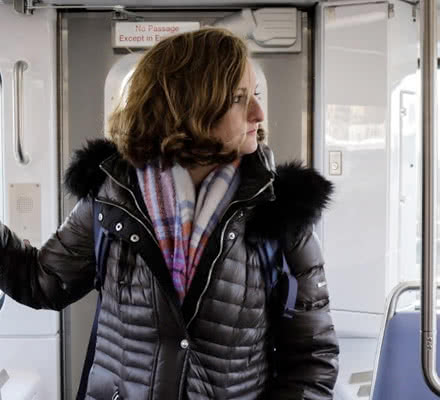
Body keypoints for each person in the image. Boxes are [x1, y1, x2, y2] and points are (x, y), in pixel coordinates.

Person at [0, 28, 339, 399]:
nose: (258, 112)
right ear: (190, 107)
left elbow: (312, 360)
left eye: (255, 95)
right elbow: (42, 282)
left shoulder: (281, 211)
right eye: (240, 98)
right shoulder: (113, 197)